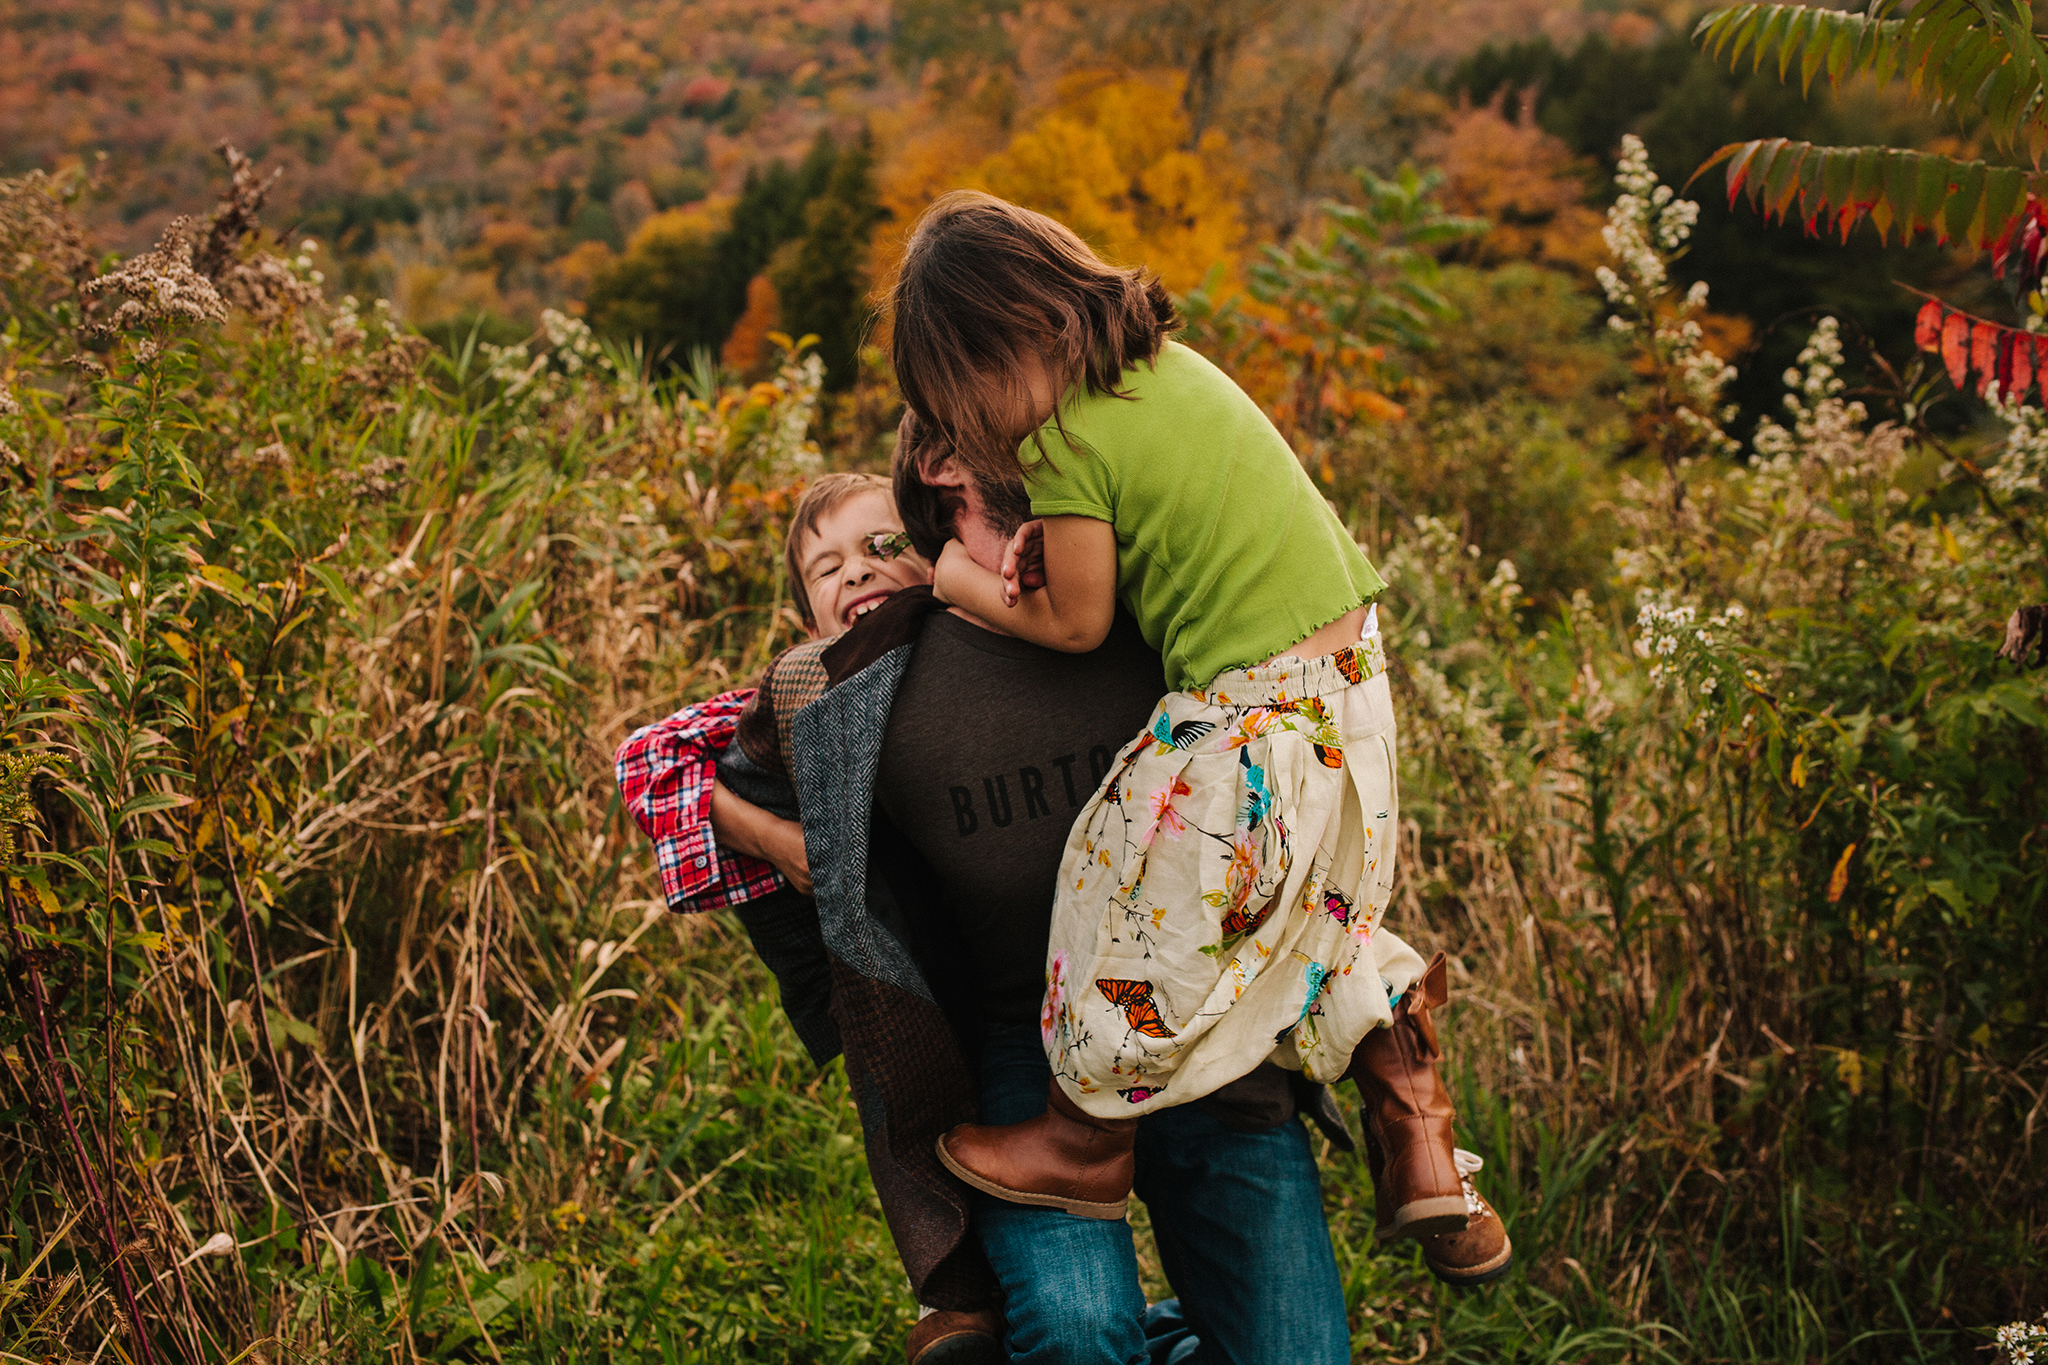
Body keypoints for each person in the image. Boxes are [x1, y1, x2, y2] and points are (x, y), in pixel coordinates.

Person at [888, 190, 1500, 1270]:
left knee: (1113, 873)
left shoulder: (1065, 436)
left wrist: (956, 580)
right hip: (1345, 689)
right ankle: (1416, 1123)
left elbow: (1072, 623)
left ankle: (1082, 1138)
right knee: (1280, 920)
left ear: (1004, 344)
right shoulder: (1168, 374)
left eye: (964, 400)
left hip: (1251, 705)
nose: (980, 432)